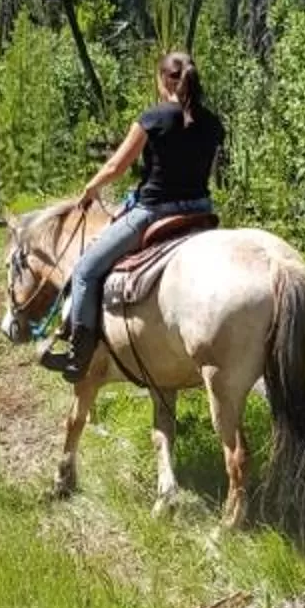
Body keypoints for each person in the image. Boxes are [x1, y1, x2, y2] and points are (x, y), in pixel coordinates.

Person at [40, 50, 224, 382]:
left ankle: (77, 357)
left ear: (163, 80)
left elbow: (116, 166)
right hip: (202, 212)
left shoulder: (153, 118)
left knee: (84, 270)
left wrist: (90, 189)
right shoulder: (213, 124)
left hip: (152, 213)